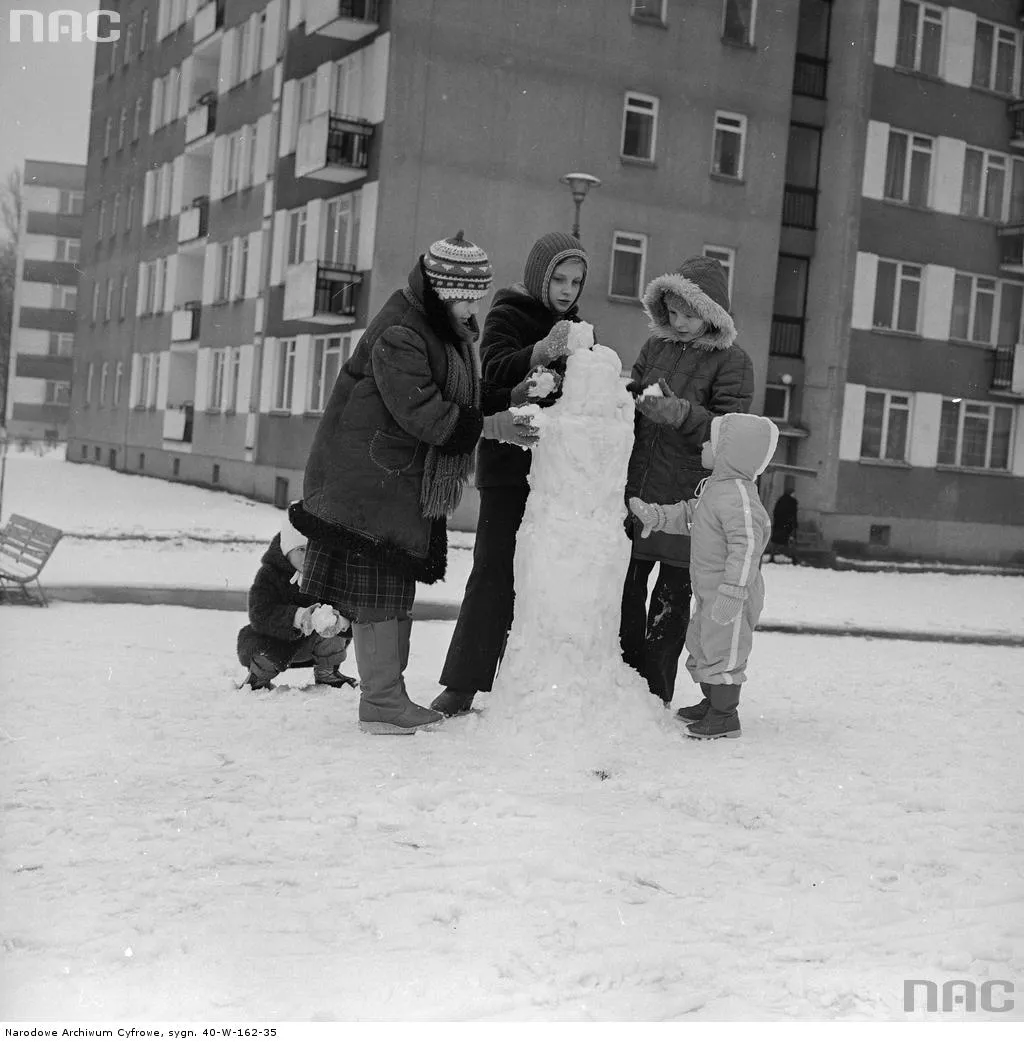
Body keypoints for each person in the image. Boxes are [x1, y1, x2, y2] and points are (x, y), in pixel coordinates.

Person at [289, 231, 541, 734]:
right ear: (438, 290)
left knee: (393, 588)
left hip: (394, 479)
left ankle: (388, 697)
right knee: (380, 591)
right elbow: (424, 412)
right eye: (462, 296)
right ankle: (382, 703)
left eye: (475, 296)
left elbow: (461, 395)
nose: (470, 306)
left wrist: (511, 393)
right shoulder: (403, 331)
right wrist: (494, 426)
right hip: (370, 479)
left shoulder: (441, 326)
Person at [431, 231, 589, 717]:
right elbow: (493, 376)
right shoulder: (508, 314)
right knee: (494, 573)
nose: (567, 290)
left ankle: (527, 684)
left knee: (544, 578)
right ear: (540, 276)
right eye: (559, 279)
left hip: (555, 473)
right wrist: (541, 351)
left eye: (576, 281)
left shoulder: (577, 325)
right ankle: (462, 684)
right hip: (507, 466)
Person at [620, 255, 755, 706]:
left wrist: (681, 414)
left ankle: (655, 695)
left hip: (689, 500)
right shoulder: (655, 348)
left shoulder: (732, 362)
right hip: (639, 491)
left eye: (688, 314)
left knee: (671, 608)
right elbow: (633, 393)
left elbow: (731, 434)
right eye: (672, 312)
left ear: (712, 313)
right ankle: (620, 689)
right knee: (624, 599)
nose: (677, 323)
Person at [629, 412, 780, 739]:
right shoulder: (717, 489)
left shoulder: (739, 497)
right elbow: (689, 515)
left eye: (714, 440)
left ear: (731, 452)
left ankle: (725, 716)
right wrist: (655, 516)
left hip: (732, 592)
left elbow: (747, 546)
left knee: (725, 650)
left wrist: (734, 591)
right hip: (712, 589)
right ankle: (711, 703)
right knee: (704, 643)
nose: (706, 445)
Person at [236, 513, 354, 691]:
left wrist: (339, 620)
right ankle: (257, 678)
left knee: (334, 632)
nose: (308, 556)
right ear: (286, 551)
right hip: (277, 642)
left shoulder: (327, 575)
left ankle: (327, 672)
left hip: (314, 642)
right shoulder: (269, 574)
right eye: (301, 549)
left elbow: (346, 605)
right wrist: (297, 617)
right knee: (265, 652)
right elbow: (260, 612)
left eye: (313, 549)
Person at [768, 484, 799, 563]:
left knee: (775, 541)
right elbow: (793, 515)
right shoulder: (792, 502)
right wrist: (794, 524)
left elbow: (776, 512)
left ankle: (772, 557)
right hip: (788, 526)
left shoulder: (780, 500)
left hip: (779, 525)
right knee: (791, 541)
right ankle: (794, 558)